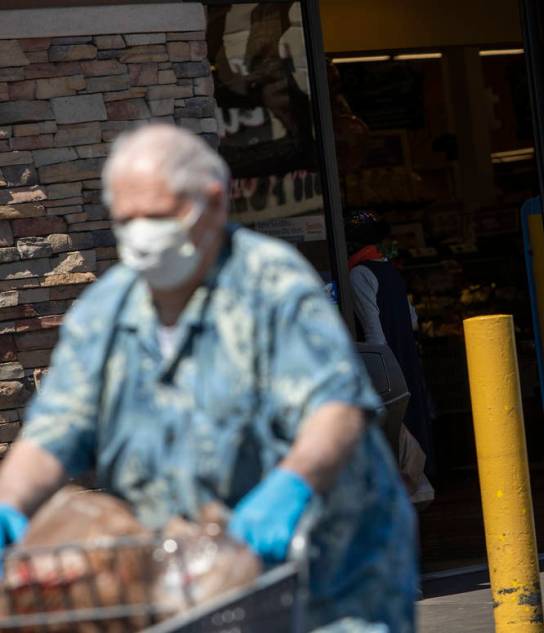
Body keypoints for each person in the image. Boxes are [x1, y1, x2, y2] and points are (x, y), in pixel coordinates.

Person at [0, 124, 417, 632]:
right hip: (205, 587)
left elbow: (334, 411)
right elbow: (53, 432)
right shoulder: (107, 311)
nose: (143, 234)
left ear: (213, 203)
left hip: (329, 581)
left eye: (157, 215)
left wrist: (291, 482)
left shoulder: (272, 285)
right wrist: (9, 504)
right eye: (127, 219)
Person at [347, 210, 434, 478]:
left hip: (387, 364)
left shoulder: (358, 273)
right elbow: (413, 319)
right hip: (405, 356)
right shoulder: (389, 270)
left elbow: (374, 331)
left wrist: (376, 374)